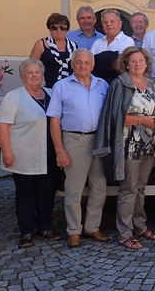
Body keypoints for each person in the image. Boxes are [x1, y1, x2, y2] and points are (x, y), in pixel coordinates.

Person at [93, 46, 155, 250]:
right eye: (133, 61)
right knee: (128, 189)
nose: (138, 64)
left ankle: (139, 225)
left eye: (141, 61)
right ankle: (124, 233)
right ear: (126, 64)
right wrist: (142, 120)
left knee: (140, 188)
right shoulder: (120, 84)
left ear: (146, 63)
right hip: (128, 145)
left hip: (148, 144)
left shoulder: (152, 85)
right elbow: (114, 117)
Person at [47, 49, 110, 248]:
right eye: (79, 62)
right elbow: (54, 120)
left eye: (87, 63)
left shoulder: (103, 85)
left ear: (92, 65)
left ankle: (92, 227)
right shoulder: (62, 86)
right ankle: (74, 231)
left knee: (99, 187)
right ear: (73, 64)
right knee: (74, 189)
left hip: (98, 141)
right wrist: (60, 150)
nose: (83, 66)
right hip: (74, 141)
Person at [0, 59, 62, 248]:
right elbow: (3, 126)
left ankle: (44, 228)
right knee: (25, 194)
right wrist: (7, 152)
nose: (34, 76)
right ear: (22, 76)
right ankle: (26, 232)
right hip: (23, 154)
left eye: (37, 72)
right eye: (30, 72)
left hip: (49, 154)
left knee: (47, 193)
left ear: (42, 75)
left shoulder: (51, 94)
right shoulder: (13, 97)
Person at [29, 13, 78, 88]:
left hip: (70, 89)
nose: (59, 30)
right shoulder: (41, 44)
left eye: (63, 27)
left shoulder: (74, 46)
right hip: (50, 88)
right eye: (54, 27)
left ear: (67, 29)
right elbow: (31, 67)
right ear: (49, 28)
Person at [90, 9, 135, 84]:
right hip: (97, 85)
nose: (108, 24)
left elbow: (120, 65)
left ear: (120, 23)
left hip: (117, 84)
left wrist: (98, 60)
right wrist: (111, 57)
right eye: (105, 22)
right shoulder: (97, 42)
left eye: (112, 21)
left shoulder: (127, 41)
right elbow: (90, 63)